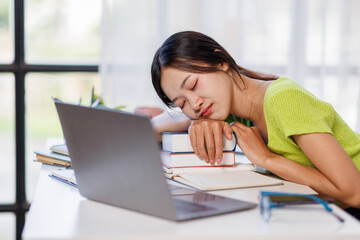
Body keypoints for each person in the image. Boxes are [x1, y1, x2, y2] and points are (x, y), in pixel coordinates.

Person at [150, 31, 360, 215]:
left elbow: (354, 193)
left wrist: (266, 159)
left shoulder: (283, 98)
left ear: (221, 62)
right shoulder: (230, 112)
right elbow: (155, 126)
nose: (194, 104)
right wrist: (196, 123)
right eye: (182, 103)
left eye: (194, 85)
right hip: (329, 212)